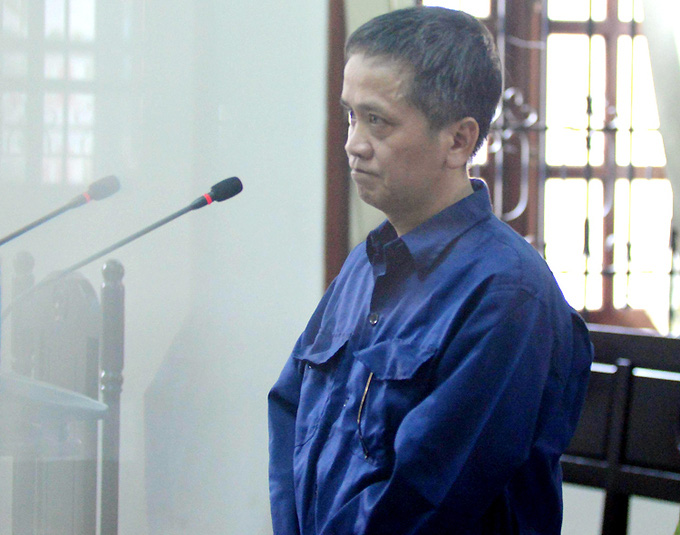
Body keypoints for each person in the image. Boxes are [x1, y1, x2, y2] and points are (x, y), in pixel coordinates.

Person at [268, 6, 593, 535]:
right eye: (351, 116)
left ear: (458, 140)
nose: (353, 143)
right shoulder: (367, 262)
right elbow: (290, 413)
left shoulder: (506, 295)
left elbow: (428, 503)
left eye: (377, 121)